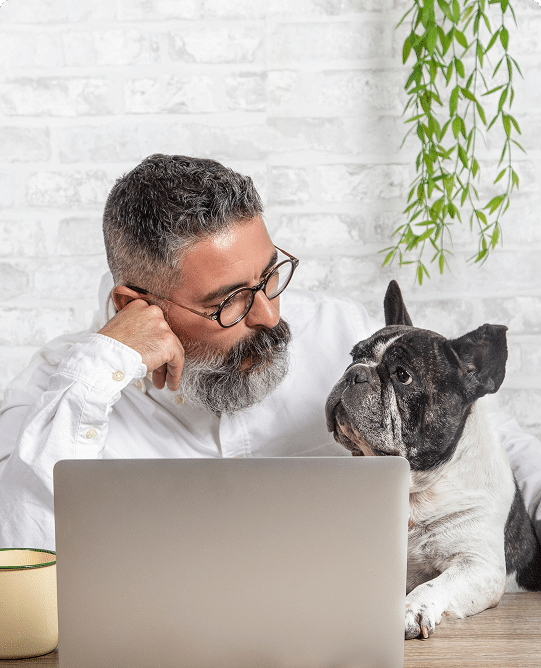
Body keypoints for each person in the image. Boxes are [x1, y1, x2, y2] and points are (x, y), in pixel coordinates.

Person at [1, 154, 541, 551]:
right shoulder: (58, 396)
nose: (269, 316)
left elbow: (497, 443)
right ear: (135, 305)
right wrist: (101, 369)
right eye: (229, 301)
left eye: (269, 277)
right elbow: (22, 563)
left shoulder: (345, 336)